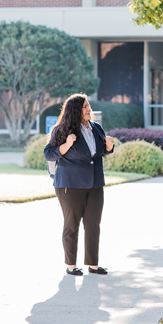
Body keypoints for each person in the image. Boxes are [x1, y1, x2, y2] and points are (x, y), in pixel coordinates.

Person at [44, 93, 114, 276]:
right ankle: (71, 265)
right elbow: (49, 154)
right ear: (75, 110)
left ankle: (93, 264)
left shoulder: (96, 128)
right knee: (71, 224)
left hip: (95, 184)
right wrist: (67, 144)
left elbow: (95, 155)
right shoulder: (61, 130)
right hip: (70, 185)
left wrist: (108, 148)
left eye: (88, 106)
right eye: (85, 107)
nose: (88, 109)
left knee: (93, 224)